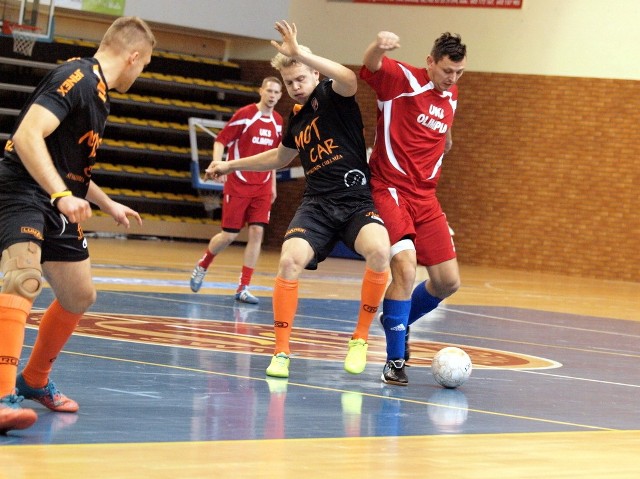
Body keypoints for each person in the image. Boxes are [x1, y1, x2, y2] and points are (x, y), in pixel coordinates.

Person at [207, 20, 390, 379]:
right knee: (289, 262)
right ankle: (281, 353)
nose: (295, 87)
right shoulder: (294, 118)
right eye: (289, 83)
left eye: (300, 79)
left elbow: (350, 78)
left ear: (313, 73)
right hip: (318, 205)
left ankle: (360, 339)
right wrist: (231, 164)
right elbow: (279, 158)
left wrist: (301, 53)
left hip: (355, 201)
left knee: (380, 252)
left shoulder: (333, 94)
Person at [0, 17, 155, 434]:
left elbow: (71, 168)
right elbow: (28, 136)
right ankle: (0, 398)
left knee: (79, 295)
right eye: (143, 66)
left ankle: (32, 381)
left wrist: (106, 203)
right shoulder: (77, 78)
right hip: (23, 192)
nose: (140, 75)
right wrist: (60, 195)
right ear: (133, 56)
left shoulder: (100, 94)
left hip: (56, 200)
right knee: (23, 278)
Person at [360, 31, 467, 386]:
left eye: (459, 73)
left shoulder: (450, 95)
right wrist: (379, 45)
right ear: (430, 62)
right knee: (405, 269)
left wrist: (445, 141)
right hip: (389, 189)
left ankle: (398, 320)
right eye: (447, 71)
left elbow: (444, 134)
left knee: (447, 282)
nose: (452, 79)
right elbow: (370, 65)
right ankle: (394, 361)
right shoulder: (402, 79)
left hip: (426, 197)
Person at [189, 77, 284, 304]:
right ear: (261, 91)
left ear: (280, 96)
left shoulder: (279, 121)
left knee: (257, 233)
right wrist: (217, 165)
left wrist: (273, 185)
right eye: (269, 90)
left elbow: (274, 157)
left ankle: (243, 287)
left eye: (276, 92)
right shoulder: (246, 114)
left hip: (262, 186)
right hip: (238, 182)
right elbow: (221, 140)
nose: (272, 95)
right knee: (229, 235)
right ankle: (203, 264)